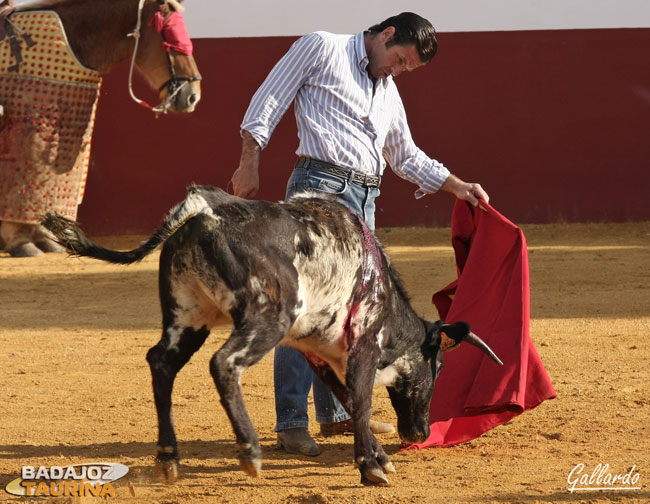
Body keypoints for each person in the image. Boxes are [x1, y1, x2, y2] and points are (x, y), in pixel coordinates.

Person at [229, 12, 490, 457]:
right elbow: (269, 98)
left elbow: (406, 156)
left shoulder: (387, 92)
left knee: (350, 315)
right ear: (385, 35)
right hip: (318, 191)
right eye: (401, 59)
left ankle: (337, 414)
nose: (400, 71)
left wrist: (458, 186)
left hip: (364, 200)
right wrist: (248, 160)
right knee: (302, 307)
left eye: (409, 68)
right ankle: (291, 422)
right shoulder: (322, 47)